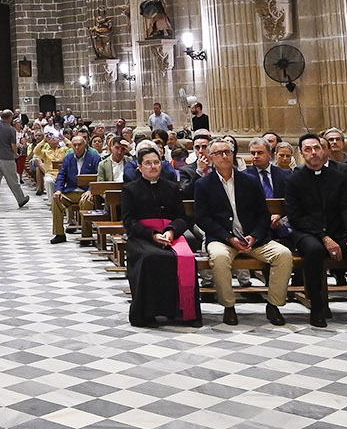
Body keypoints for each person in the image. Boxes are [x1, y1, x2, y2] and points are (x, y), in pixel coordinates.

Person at [283, 134, 347, 329]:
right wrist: (324, 237)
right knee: (314, 250)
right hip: (308, 233)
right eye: (308, 149)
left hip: (338, 232)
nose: (313, 153)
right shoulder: (294, 180)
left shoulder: (338, 178)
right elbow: (296, 216)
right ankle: (317, 308)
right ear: (301, 153)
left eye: (317, 148)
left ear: (323, 150)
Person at [194, 138, 291, 325]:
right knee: (219, 258)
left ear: (233, 155)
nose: (224, 156)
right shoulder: (203, 185)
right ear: (211, 158)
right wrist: (229, 238)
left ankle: (274, 304)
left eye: (227, 152)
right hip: (222, 239)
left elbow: (263, 214)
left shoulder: (250, 181)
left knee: (283, 254)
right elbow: (203, 218)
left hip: (253, 239)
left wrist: (254, 236)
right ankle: (229, 306)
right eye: (219, 153)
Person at [121, 148, 200, 327]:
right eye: (148, 163)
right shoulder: (130, 189)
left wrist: (171, 231)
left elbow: (182, 217)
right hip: (143, 236)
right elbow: (129, 221)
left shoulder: (172, 187)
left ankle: (182, 312)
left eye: (156, 162)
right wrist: (153, 235)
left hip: (170, 234)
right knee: (151, 258)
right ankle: (148, 313)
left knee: (186, 258)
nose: (153, 166)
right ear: (140, 167)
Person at [50, 132, 101, 245]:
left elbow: (99, 176)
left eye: (79, 145)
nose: (77, 147)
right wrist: (58, 190)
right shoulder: (68, 158)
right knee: (56, 200)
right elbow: (61, 176)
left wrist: (90, 190)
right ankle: (59, 234)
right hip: (71, 191)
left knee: (85, 201)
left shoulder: (94, 157)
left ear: (85, 145)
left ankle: (86, 235)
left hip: (86, 192)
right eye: (75, 145)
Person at [0, 109, 30, 211]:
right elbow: (13, 145)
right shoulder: (11, 130)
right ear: (10, 118)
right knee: (13, 181)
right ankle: (21, 199)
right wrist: (16, 154)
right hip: (7, 158)